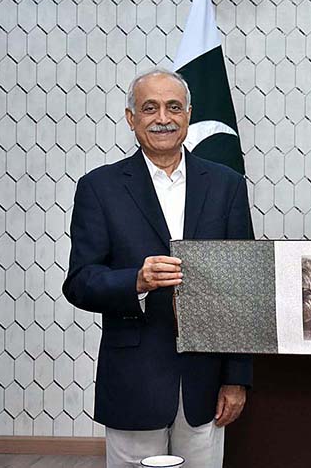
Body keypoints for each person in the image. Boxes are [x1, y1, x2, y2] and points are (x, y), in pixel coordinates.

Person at [63, 69, 253, 468]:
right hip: (133, 382)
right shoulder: (99, 187)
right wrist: (135, 280)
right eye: (149, 108)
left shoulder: (227, 185)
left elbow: (243, 287)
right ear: (132, 118)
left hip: (205, 385)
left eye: (173, 107)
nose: (162, 118)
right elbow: (80, 283)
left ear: (188, 115)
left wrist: (236, 378)